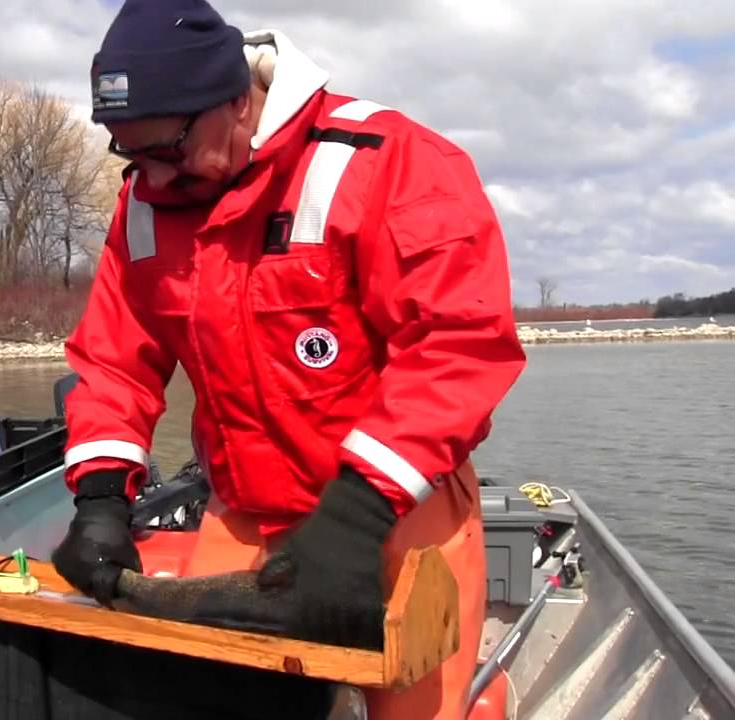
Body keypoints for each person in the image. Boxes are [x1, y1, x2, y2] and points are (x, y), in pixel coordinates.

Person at [51, 1, 526, 717]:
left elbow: (457, 347)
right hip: (244, 510)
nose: (150, 178)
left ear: (238, 102)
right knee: (212, 700)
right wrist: (98, 502)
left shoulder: (389, 162)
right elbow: (116, 362)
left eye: (168, 152)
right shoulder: (145, 203)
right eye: (130, 154)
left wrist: (357, 516)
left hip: (395, 511)